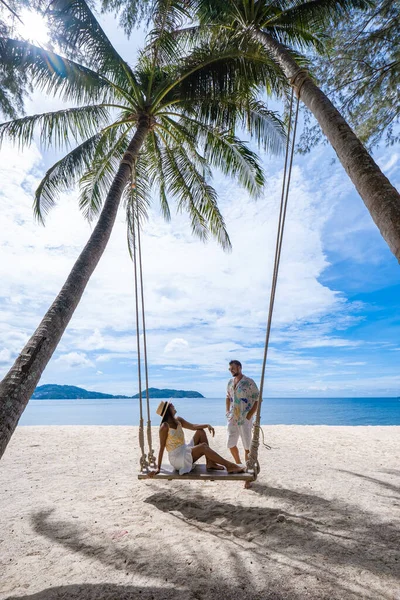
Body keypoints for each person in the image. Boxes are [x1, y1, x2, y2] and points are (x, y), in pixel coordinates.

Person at [147, 401, 245, 477]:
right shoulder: (164, 427)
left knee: (200, 431)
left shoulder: (178, 420)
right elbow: (162, 447)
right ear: (168, 410)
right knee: (203, 447)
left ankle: (210, 463)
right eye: (171, 405)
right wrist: (158, 468)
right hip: (177, 458)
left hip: (184, 449)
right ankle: (229, 466)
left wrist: (207, 425)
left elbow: (193, 426)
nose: (173, 405)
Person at [226, 360, 259, 466]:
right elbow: (228, 397)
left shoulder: (249, 382)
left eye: (233, 368)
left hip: (244, 418)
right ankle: (239, 465)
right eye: (230, 369)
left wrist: (249, 415)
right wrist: (227, 411)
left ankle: (248, 471)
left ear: (239, 367)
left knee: (247, 446)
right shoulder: (230, 382)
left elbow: (258, 399)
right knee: (230, 444)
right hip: (232, 418)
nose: (231, 370)